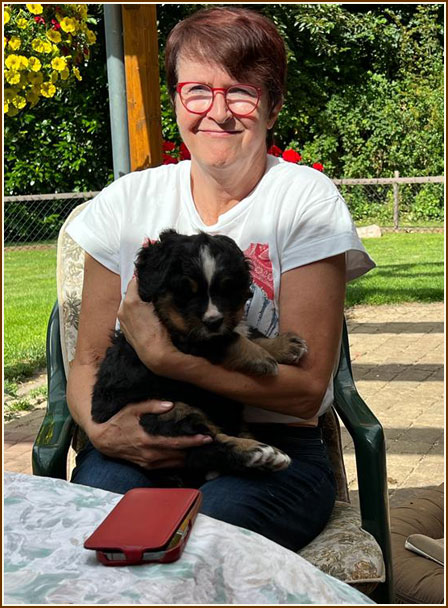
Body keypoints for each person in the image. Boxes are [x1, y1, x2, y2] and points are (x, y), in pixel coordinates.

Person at [66, 7, 374, 552]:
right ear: (176, 100)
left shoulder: (305, 201)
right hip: (137, 434)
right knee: (106, 529)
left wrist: (167, 359)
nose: (219, 111)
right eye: (198, 91)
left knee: (205, 537)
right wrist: (99, 432)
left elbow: (305, 393)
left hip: (271, 438)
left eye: (241, 93)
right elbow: (89, 360)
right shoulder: (123, 204)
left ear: (273, 105)